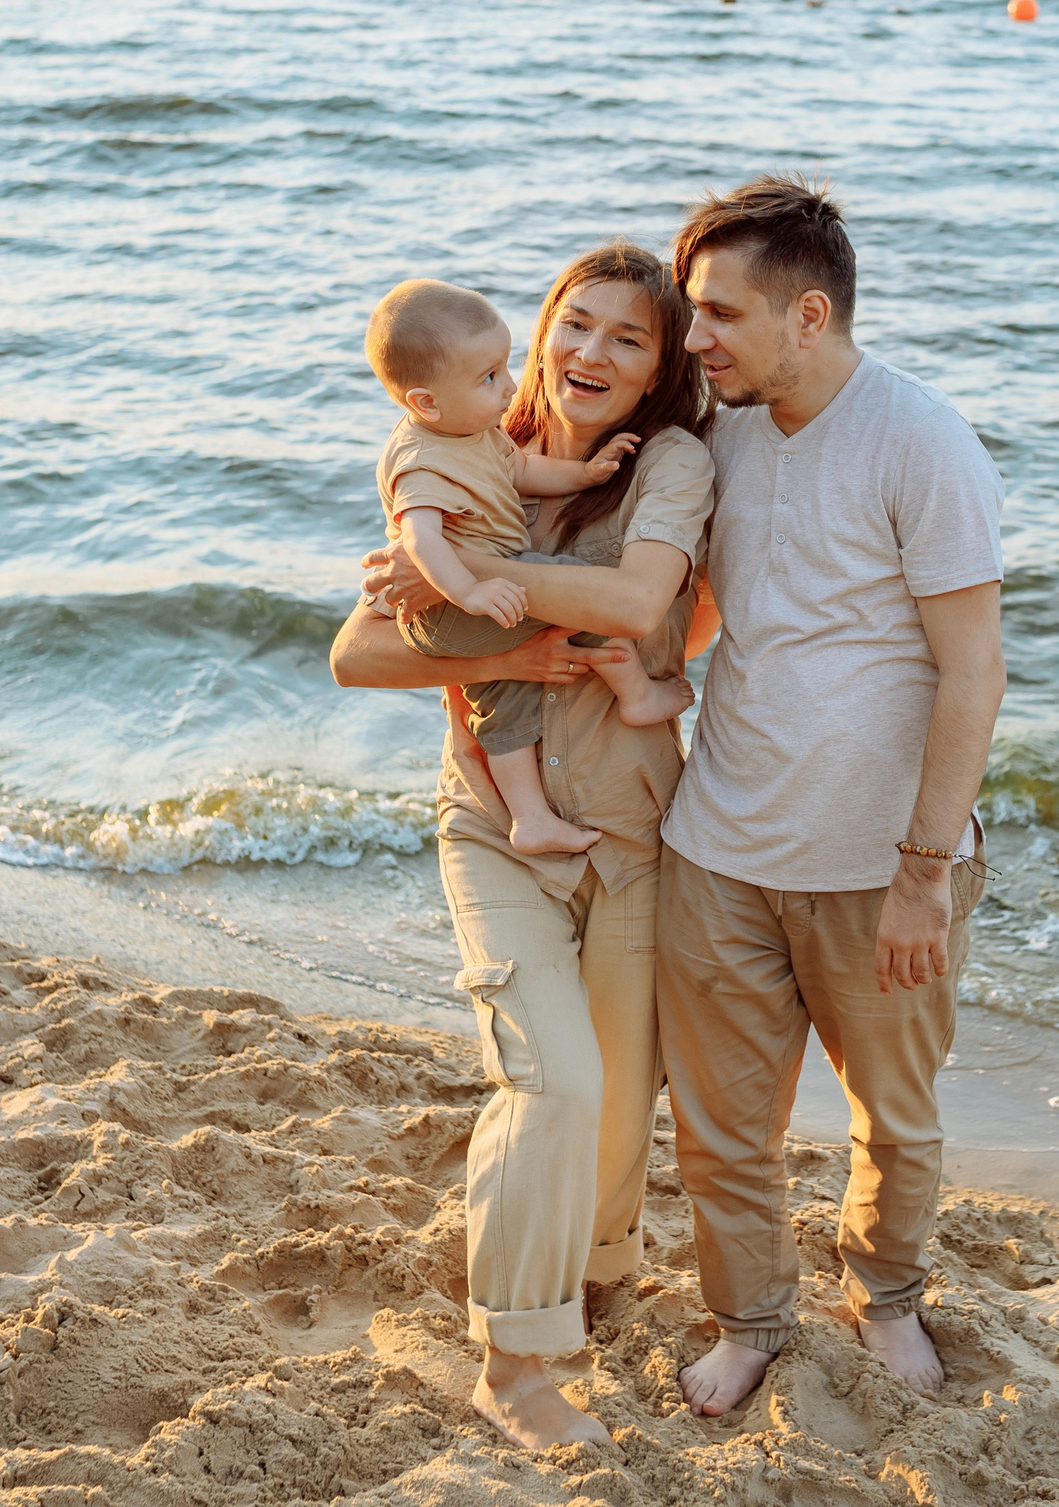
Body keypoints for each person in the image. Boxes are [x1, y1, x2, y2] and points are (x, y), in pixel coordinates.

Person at [329, 243, 715, 1449]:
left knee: (614, 1101)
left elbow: (637, 606)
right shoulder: (461, 442)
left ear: (659, 370)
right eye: (576, 325)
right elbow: (360, 652)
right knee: (549, 1077)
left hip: (636, 831)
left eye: (629, 339)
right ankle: (517, 1366)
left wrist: (473, 579)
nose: (592, 353)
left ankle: (590, 1274)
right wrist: (497, 653)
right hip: (495, 828)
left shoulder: (672, 467)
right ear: (542, 331)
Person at [650, 176, 1006, 1415]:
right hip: (718, 847)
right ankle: (748, 1320)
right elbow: (712, 605)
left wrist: (922, 872)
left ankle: (888, 1297)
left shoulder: (921, 440)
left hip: (879, 869)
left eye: (717, 315)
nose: (695, 341)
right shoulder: (723, 435)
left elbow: (974, 668)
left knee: (894, 1123)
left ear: (809, 316)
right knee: (720, 1128)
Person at [359, 278, 694, 856]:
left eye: (627, 340)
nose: (511, 385)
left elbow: (523, 472)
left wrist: (589, 476)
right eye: (489, 377)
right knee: (571, 598)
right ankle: (635, 693)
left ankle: (531, 818)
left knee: (506, 698)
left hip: (624, 816)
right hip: (458, 608)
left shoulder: (476, 433)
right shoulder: (424, 457)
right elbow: (416, 543)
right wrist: (468, 589)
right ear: (426, 402)